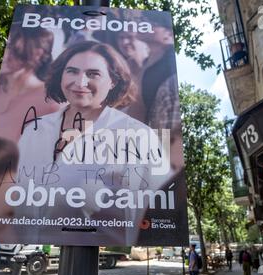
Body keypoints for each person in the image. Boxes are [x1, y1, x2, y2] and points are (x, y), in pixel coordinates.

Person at [15, 41, 171, 245]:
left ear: (113, 81)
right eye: (71, 71)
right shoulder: (35, 130)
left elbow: (154, 207)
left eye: (93, 74)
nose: (80, 83)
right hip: (34, 254)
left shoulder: (139, 135)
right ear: (61, 75)